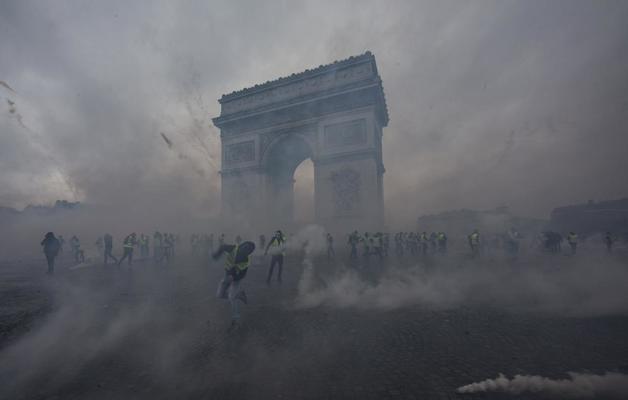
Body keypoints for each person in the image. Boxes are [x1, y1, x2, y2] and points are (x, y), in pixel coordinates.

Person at [213, 241, 255, 330]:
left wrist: (233, 277)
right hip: (226, 275)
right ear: (242, 245)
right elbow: (223, 246)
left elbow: (242, 275)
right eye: (243, 247)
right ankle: (240, 295)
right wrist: (217, 254)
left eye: (246, 250)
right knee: (219, 295)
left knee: (232, 297)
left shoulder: (246, 260)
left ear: (248, 253)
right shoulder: (234, 248)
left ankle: (235, 320)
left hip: (236, 280)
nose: (243, 250)